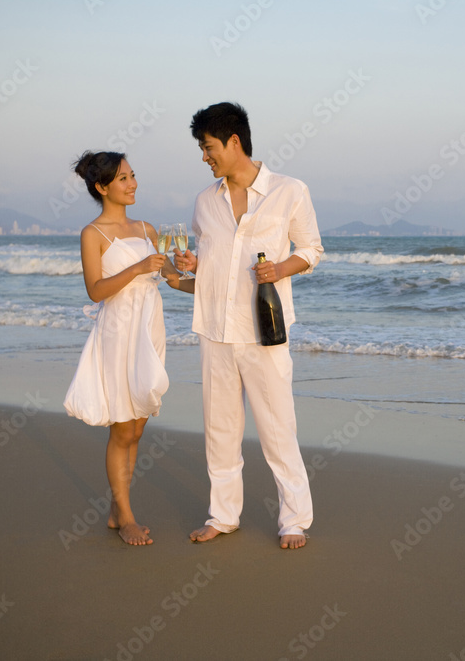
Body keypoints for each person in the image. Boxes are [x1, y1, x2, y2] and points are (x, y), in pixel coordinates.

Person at [169, 102, 323, 550]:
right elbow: (210, 266)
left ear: (234, 141)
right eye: (202, 148)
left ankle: (293, 520)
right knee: (219, 429)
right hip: (215, 331)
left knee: (277, 427)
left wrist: (279, 269)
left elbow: (312, 249)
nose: (204, 156)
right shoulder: (204, 202)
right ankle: (223, 515)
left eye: (208, 146)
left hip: (264, 331)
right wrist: (190, 265)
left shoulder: (289, 191)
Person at [64, 150, 174, 546]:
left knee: (139, 424)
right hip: (119, 331)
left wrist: (199, 276)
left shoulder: (147, 228)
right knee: (122, 426)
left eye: (133, 175)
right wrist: (136, 269)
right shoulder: (93, 234)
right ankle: (124, 515)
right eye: (124, 178)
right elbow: (95, 291)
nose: (133, 184)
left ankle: (117, 506)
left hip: (150, 327)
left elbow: (173, 278)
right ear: (102, 187)